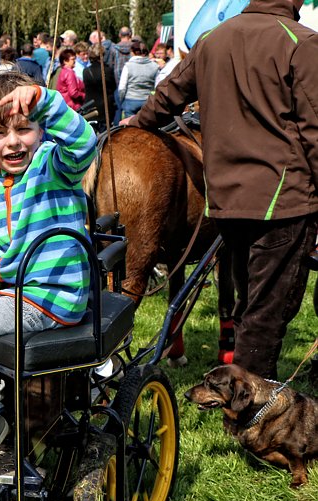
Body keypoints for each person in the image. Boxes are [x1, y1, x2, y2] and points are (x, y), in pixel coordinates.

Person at [122, 0, 318, 381]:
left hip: (228, 202)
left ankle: (247, 395)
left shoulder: (213, 39)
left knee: (252, 306)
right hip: (283, 202)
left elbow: (167, 96)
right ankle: (252, 414)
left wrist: (138, 121)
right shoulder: (302, 42)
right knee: (267, 312)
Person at [0, 72, 97, 480]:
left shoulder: (54, 166)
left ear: (40, 129)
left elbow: (83, 142)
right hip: (11, 295)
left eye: (24, 129)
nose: (13, 142)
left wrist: (46, 101)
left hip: (51, 296)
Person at [117, 39, 157, 118]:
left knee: (130, 128)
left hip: (130, 100)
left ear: (132, 52)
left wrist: (121, 100)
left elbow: (122, 88)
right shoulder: (155, 66)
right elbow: (158, 85)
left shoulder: (128, 66)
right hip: (147, 100)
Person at [82, 44, 116, 125]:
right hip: (105, 107)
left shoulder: (86, 71)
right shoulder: (108, 70)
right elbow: (113, 87)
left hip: (91, 106)